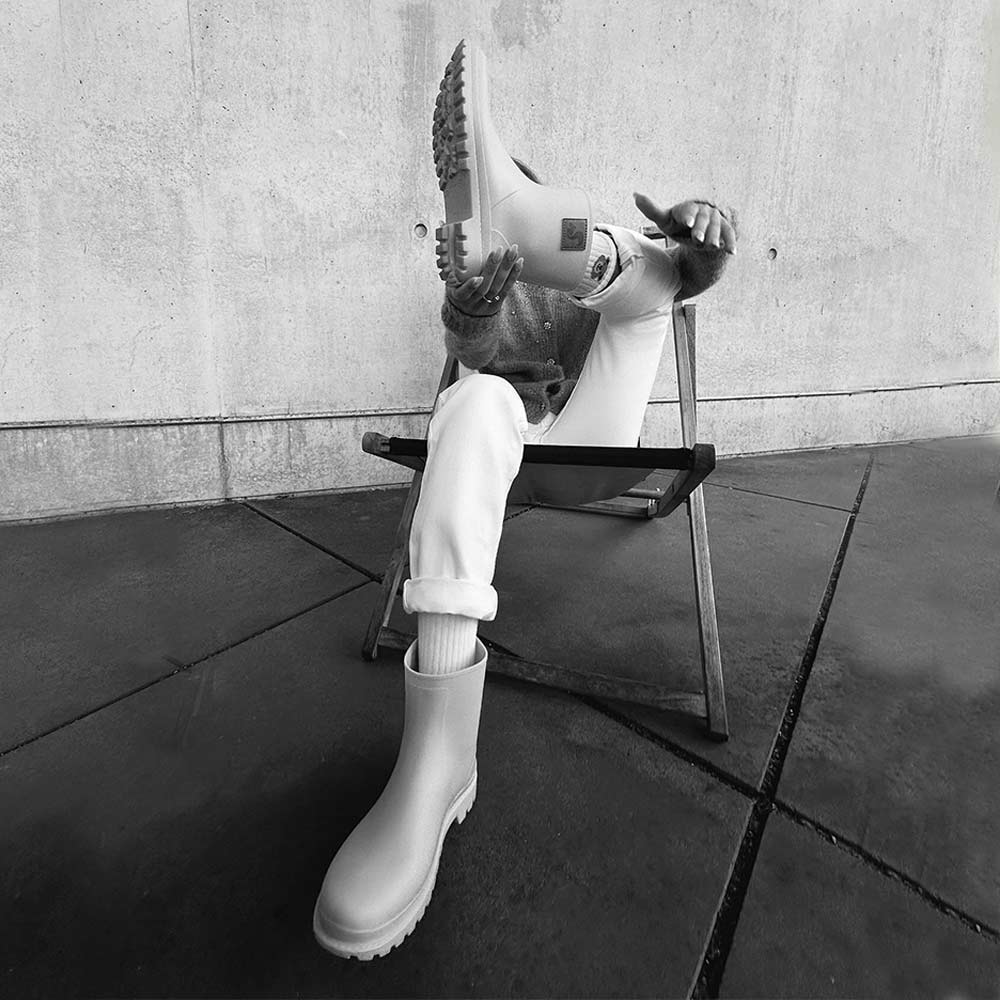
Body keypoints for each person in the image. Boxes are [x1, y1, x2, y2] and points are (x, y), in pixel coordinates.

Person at [313, 40, 737, 961]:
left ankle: (654, 258)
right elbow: (480, 349)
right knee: (475, 396)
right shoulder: (504, 292)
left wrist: (699, 250)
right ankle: (437, 767)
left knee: (661, 283)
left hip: (594, 445)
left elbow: (665, 281)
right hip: (510, 445)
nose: (525, 265)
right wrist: (471, 310)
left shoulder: (598, 297)